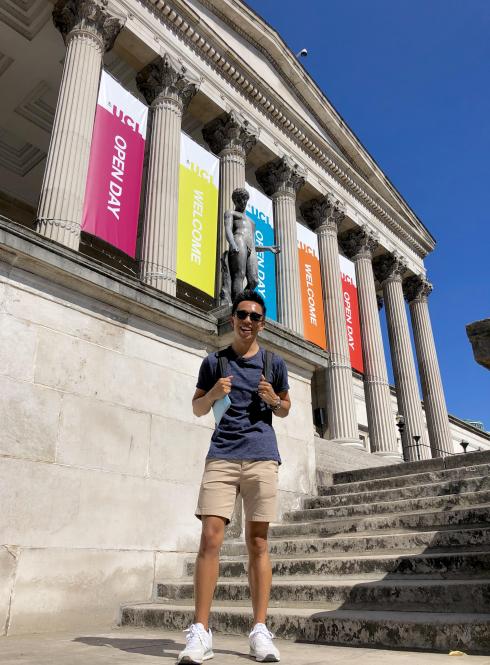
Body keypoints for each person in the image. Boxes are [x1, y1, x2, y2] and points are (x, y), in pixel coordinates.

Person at [177, 289, 290, 664]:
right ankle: (200, 631)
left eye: (255, 316)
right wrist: (212, 393)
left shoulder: (274, 362)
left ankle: (259, 630)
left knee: (257, 541)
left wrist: (274, 399)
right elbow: (196, 408)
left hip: (261, 456)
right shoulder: (214, 362)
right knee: (210, 536)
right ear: (232, 319)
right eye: (242, 314)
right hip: (223, 455)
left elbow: (285, 408)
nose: (248, 321)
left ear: (262, 323)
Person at [223, 188, 279, 303]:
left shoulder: (252, 222)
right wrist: (232, 244)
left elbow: (253, 243)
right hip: (238, 240)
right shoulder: (231, 213)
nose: (243, 202)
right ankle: (237, 304)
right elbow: (228, 229)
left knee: (254, 281)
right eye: (239, 200)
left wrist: (268, 248)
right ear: (235, 201)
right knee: (239, 274)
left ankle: (241, 299)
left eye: (244, 200)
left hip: (251, 247)